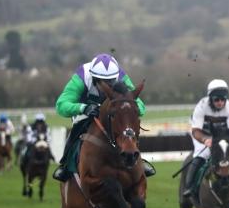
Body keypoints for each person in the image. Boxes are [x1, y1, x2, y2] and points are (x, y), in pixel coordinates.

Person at [52, 53, 155, 181]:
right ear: (93, 77)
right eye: (101, 81)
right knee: (78, 126)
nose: (106, 85)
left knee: (126, 126)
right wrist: (83, 108)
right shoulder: (82, 76)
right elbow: (61, 105)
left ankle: (136, 159)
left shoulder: (121, 76)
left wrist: (130, 109)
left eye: (110, 81)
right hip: (87, 112)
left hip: (112, 113)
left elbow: (140, 105)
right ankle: (66, 164)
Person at [182, 79, 229, 199]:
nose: (220, 102)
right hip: (202, 135)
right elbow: (196, 131)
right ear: (210, 98)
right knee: (201, 155)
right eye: (217, 99)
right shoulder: (201, 106)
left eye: (223, 99)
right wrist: (205, 140)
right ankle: (189, 187)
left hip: (221, 138)